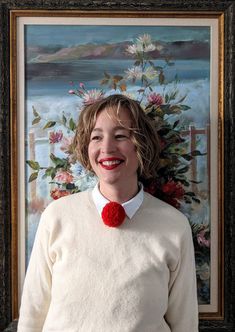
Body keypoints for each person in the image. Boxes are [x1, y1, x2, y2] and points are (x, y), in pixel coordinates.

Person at [18, 94, 198, 332]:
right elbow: (32, 314)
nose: (107, 148)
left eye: (121, 136)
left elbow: (185, 323)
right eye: (96, 137)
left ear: (141, 145)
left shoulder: (175, 225)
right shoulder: (57, 216)